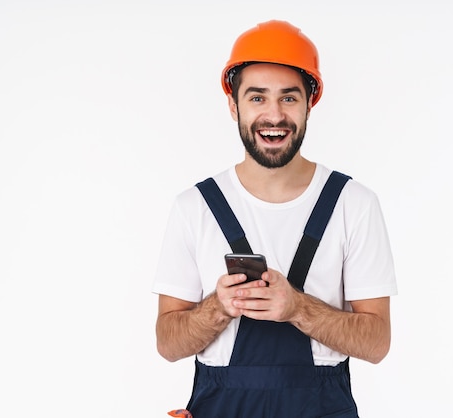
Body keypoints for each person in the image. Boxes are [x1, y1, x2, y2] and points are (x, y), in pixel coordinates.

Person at [152, 19, 397, 417]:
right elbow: (167, 343)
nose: (274, 115)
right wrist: (218, 307)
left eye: (288, 98)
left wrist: (298, 308)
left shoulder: (354, 204)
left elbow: (377, 342)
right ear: (234, 105)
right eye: (257, 98)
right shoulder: (193, 207)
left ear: (308, 104)